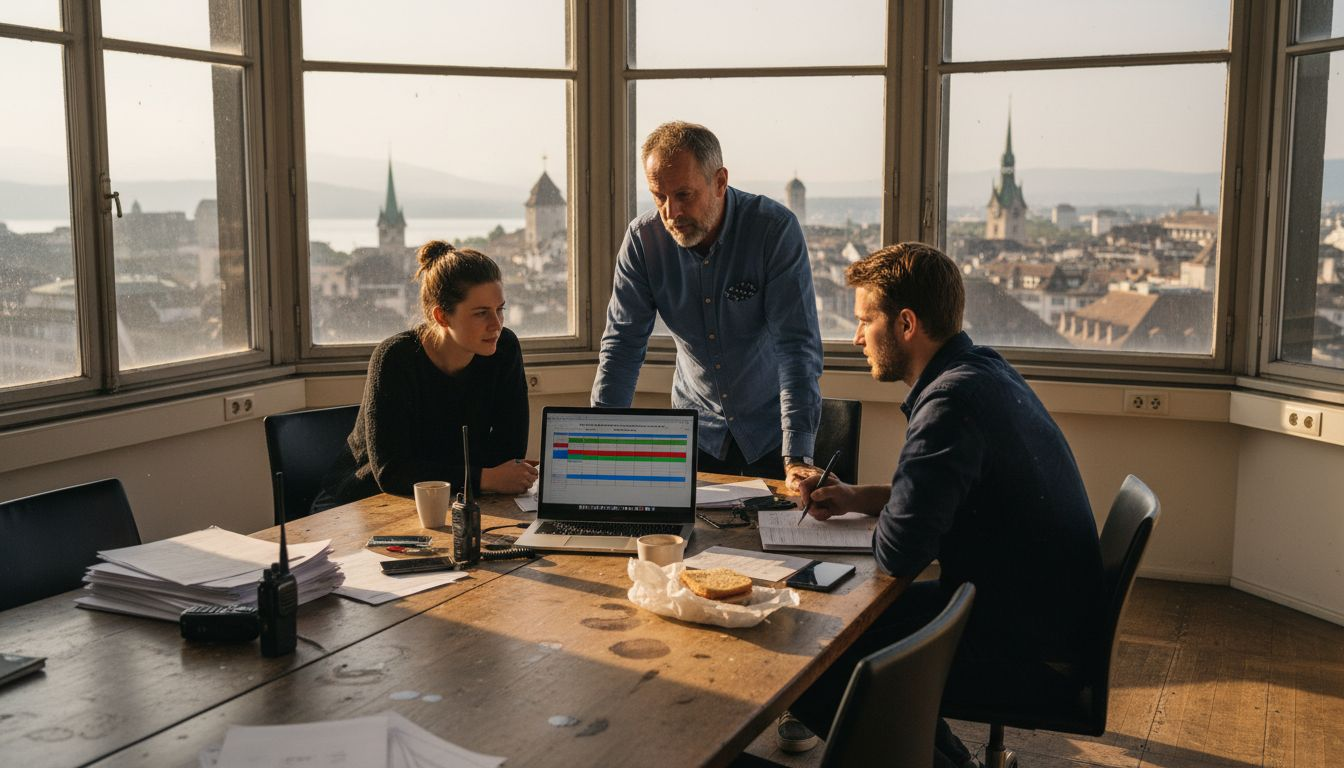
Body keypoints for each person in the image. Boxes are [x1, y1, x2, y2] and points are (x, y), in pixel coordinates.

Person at [785, 242, 1104, 767]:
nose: (857, 336)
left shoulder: (949, 404)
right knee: (843, 640)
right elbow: (953, 498)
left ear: (906, 324)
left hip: (1026, 646)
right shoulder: (982, 370)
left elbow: (899, 555)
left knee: (812, 665)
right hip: (1033, 612)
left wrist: (887, 511)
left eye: (866, 320)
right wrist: (856, 497)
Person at [591, 120, 824, 489]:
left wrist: (797, 457)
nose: (671, 212)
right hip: (694, 433)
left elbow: (797, 349)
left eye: (684, 195)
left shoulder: (773, 231)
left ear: (719, 182)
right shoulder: (643, 241)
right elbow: (622, 346)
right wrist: (596, 444)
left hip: (771, 432)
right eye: (658, 196)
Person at [313, 241, 537, 512]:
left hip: (455, 497)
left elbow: (508, 456)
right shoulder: (395, 358)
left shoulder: (504, 348)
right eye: (481, 313)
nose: (496, 324)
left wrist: (485, 476)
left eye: (500, 309)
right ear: (442, 316)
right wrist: (484, 477)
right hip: (360, 503)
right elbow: (392, 472)